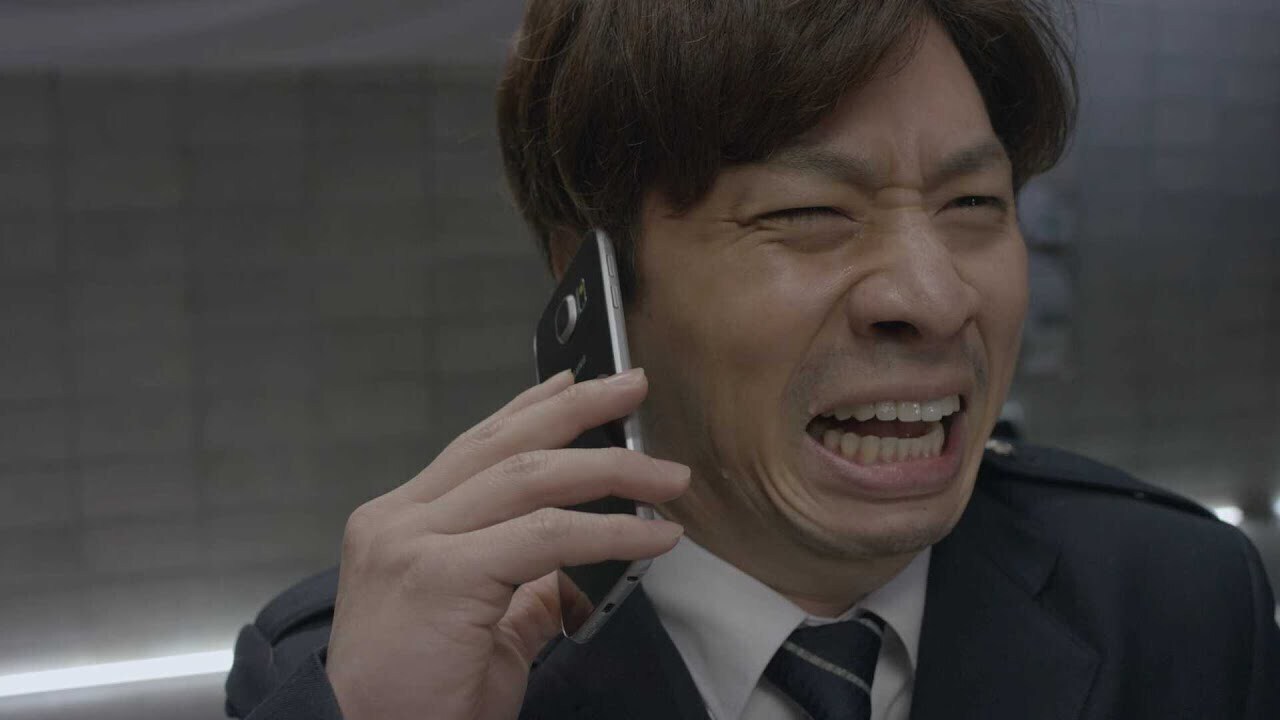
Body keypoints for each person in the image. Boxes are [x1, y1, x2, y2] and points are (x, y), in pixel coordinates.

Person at [225, 1, 1280, 718]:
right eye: (807, 212)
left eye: (973, 203)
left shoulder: (1179, 598)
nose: (933, 298)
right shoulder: (369, 673)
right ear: (590, 275)